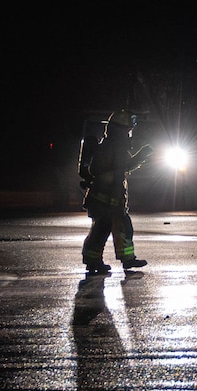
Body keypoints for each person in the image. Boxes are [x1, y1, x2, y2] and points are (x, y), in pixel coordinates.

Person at [80, 109, 153, 274]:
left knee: (115, 229)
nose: (130, 132)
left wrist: (142, 155)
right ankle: (97, 261)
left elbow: (124, 166)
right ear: (121, 129)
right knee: (106, 230)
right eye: (128, 129)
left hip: (111, 200)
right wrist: (110, 177)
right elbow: (95, 168)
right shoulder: (109, 146)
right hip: (104, 199)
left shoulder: (117, 146)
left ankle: (115, 260)